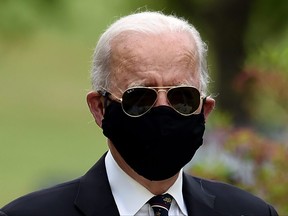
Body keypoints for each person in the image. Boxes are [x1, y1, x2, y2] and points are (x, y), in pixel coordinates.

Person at [0, 11, 278, 216]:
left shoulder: (252, 213)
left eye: (182, 97)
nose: (162, 110)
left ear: (205, 110)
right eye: (140, 97)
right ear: (100, 108)